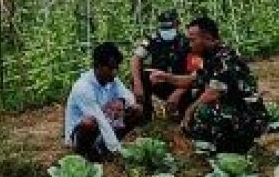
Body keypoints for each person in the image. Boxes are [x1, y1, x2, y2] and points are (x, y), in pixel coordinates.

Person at [153, 16, 267, 154]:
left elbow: (212, 93)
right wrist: (166, 77)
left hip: (248, 115)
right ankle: (217, 143)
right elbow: (192, 79)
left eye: (192, 40)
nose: (190, 44)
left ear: (207, 38)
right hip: (234, 109)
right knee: (197, 107)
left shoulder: (224, 58)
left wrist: (189, 112)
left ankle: (233, 146)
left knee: (202, 111)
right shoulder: (210, 57)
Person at [65, 42, 144, 162]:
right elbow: (100, 120)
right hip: (82, 134)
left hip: (105, 128)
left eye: (116, 68)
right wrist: (117, 150)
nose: (114, 72)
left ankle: (102, 147)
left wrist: (121, 101)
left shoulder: (113, 80)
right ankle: (85, 152)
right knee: (89, 122)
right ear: (98, 66)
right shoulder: (83, 87)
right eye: (111, 68)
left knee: (136, 110)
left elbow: (130, 97)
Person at [130, 9, 195, 123]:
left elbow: (195, 74)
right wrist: (137, 84)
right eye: (164, 28)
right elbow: (136, 59)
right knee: (141, 76)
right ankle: (144, 119)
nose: (167, 30)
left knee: (195, 87)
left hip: (181, 84)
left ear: (177, 25)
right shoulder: (152, 40)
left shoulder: (186, 42)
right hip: (158, 81)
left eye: (170, 27)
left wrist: (178, 93)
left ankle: (184, 120)